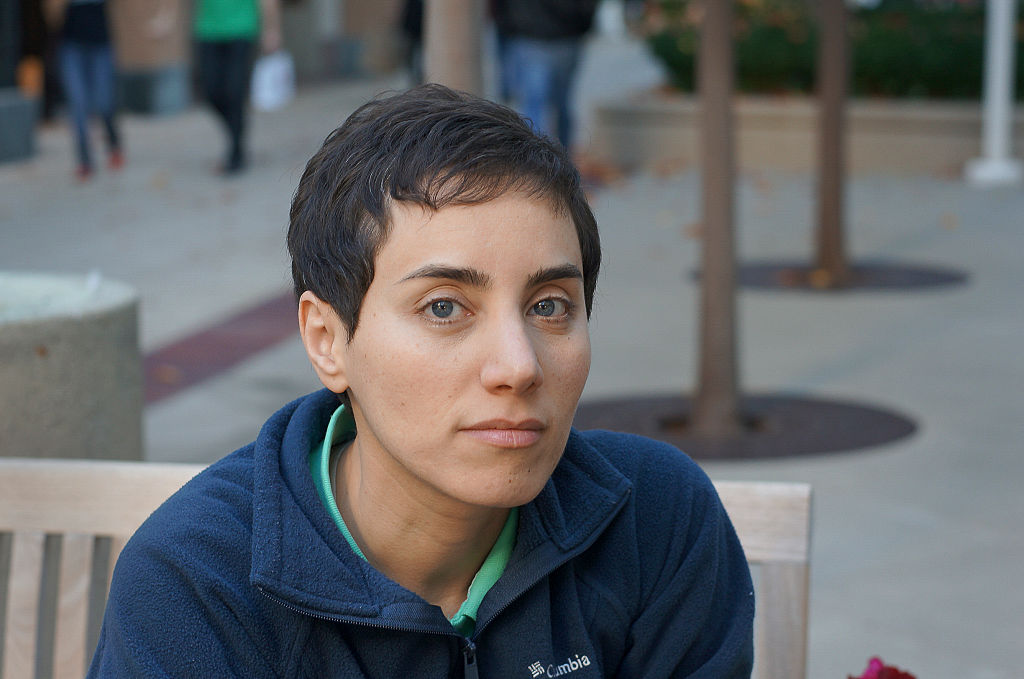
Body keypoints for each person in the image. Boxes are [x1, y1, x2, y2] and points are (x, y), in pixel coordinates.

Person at [87, 84, 754, 678]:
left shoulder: (656, 521)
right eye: (444, 307)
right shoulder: (198, 586)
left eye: (549, 305)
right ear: (328, 340)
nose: (518, 365)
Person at [493, 0, 599, 149]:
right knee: (541, 105)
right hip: (540, 37)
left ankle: (549, 160)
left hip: (552, 38)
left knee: (541, 105)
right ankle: (548, 159)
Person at [193, 0, 280, 175]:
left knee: (234, 92)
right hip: (207, 30)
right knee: (211, 92)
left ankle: (236, 152)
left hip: (242, 28)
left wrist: (271, 29)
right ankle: (236, 133)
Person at [44, 0, 123, 180]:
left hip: (101, 46)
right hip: (71, 47)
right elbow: (51, 14)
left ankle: (113, 143)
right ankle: (84, 160)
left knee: (104, 100)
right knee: (77, 102)